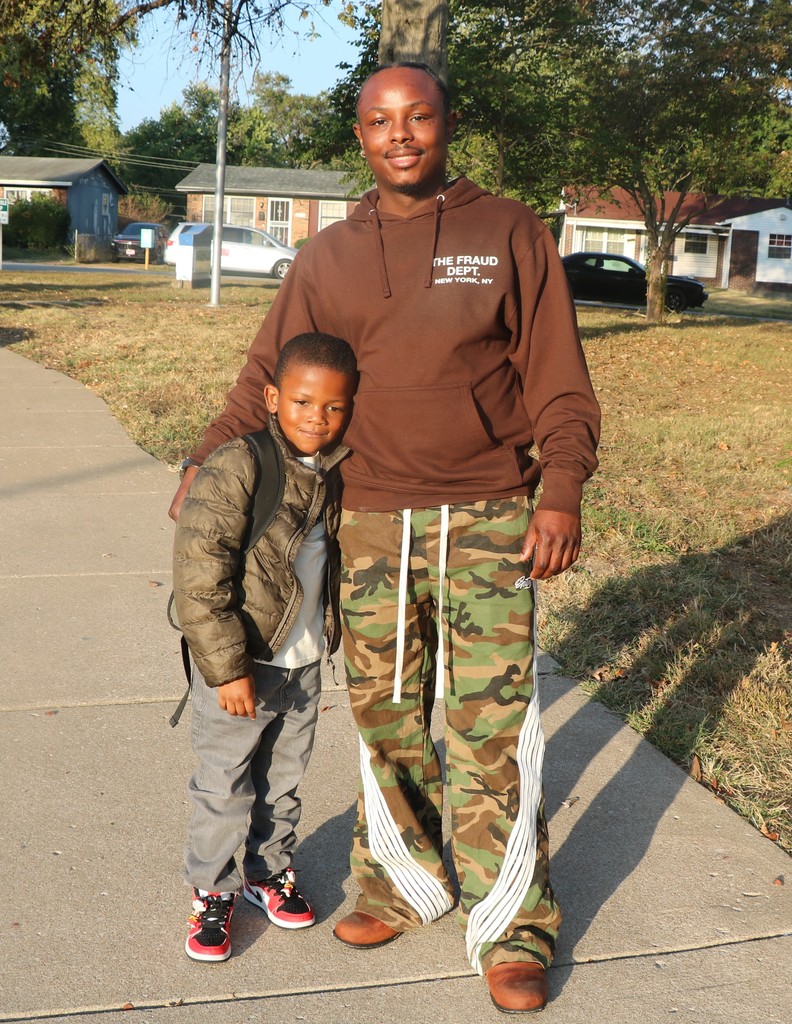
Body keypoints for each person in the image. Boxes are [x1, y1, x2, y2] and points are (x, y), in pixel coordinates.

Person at [170, 63, 600, 1012]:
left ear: (449, 122)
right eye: (378, 120)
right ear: (359, 135)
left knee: (491, 726)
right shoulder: (330, 256)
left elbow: (560, 379)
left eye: (418, 116)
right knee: (386, 717)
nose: (399, 134)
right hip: (361, 517)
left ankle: (510, 924)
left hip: (489, 513)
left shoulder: (508, 231)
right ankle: (405, 882)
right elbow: (265, 376)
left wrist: (559, 487)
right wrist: (207, 463)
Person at [172, 332, 357, 962]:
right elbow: (200, 575)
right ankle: (211, 890)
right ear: (274, 398)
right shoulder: (240, 463)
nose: (318, 418)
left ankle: (265, 872)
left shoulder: (335, 471)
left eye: (334, 407)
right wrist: (226, 670)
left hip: (301, 664)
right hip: (241, 663)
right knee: (225, 782)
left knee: (283, 780)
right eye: (304, 402)